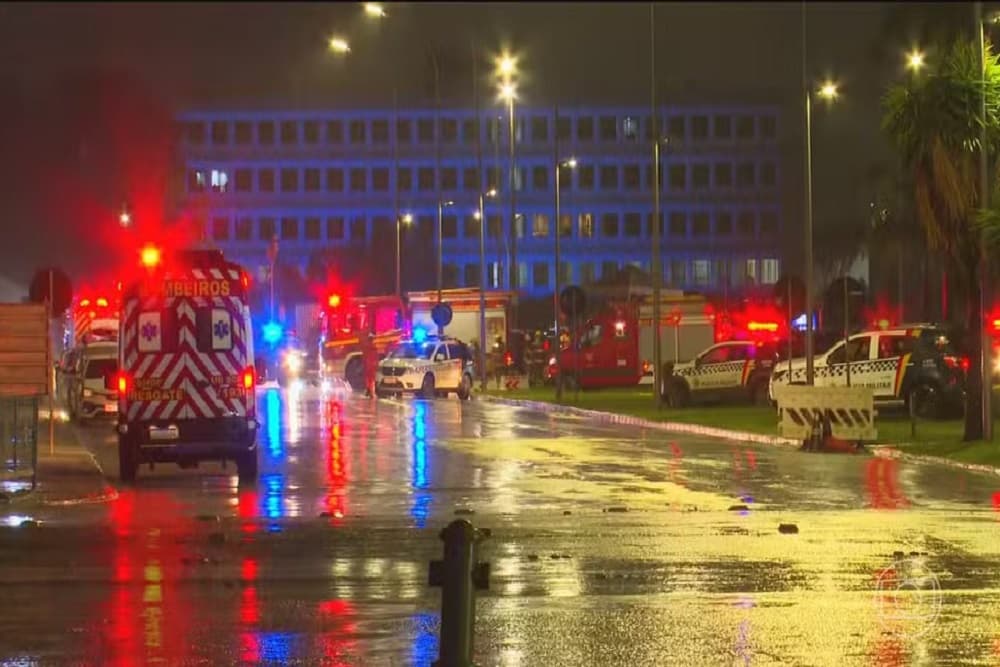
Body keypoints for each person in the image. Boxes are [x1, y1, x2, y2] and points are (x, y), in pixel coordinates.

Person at [362, 332, 378, 399]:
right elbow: (375, 357)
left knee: (368, 379)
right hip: (371, 366)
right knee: (372, 379)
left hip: (368, 365)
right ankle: (371, 393)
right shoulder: (373, 347)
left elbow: (364, 357)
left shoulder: (366, 347)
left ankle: (368, 391)